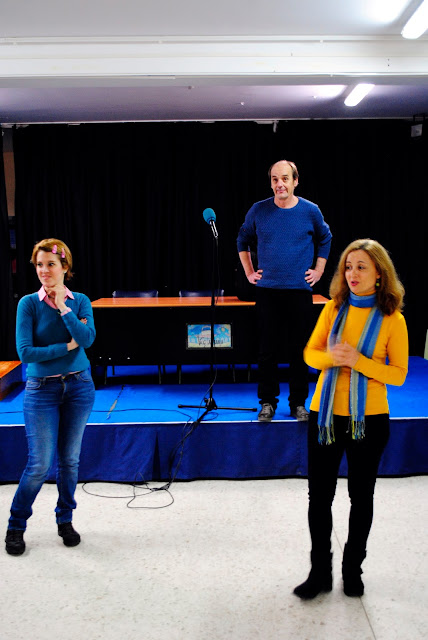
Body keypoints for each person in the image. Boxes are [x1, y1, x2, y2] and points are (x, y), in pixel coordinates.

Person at [293, 238, 408, 599]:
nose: (352, 273)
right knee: (319, 498)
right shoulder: (333, 309)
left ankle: (352, 571)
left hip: (369, 420)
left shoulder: (394, 319)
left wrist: (359, 362)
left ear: (379, 274)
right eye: (348, 266)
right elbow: (311, 355)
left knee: (361, 497)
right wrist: (335, 359)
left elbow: (399, 374)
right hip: (325, 416)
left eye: (361, 266)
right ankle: (319, 573)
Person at [5, 238, 96, 556]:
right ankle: (16, 526)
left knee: (70, 462)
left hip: (79, 387)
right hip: (41, 390)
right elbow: (26, 353)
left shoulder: (80, 301)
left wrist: (63, 309)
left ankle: (65, 520)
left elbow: (87, 338)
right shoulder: (27, 304)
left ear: (65, 267)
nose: (44, 270)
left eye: (50, 264)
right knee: (40, 464)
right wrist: (67, 347)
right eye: (39, 264)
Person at [237, 159, 332, 422]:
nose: (280, 184)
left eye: (285, 178)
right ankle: (267, 402)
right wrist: (248, 272)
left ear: (295, 181)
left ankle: (298, 403)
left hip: (299, 292)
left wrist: (320, 270)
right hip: (267, 292)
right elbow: (242, 239)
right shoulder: (258, 210)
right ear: (271, 183)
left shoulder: (311, 211)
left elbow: (326, 237)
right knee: (266, 350)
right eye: (275, 179)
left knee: (299, 350)